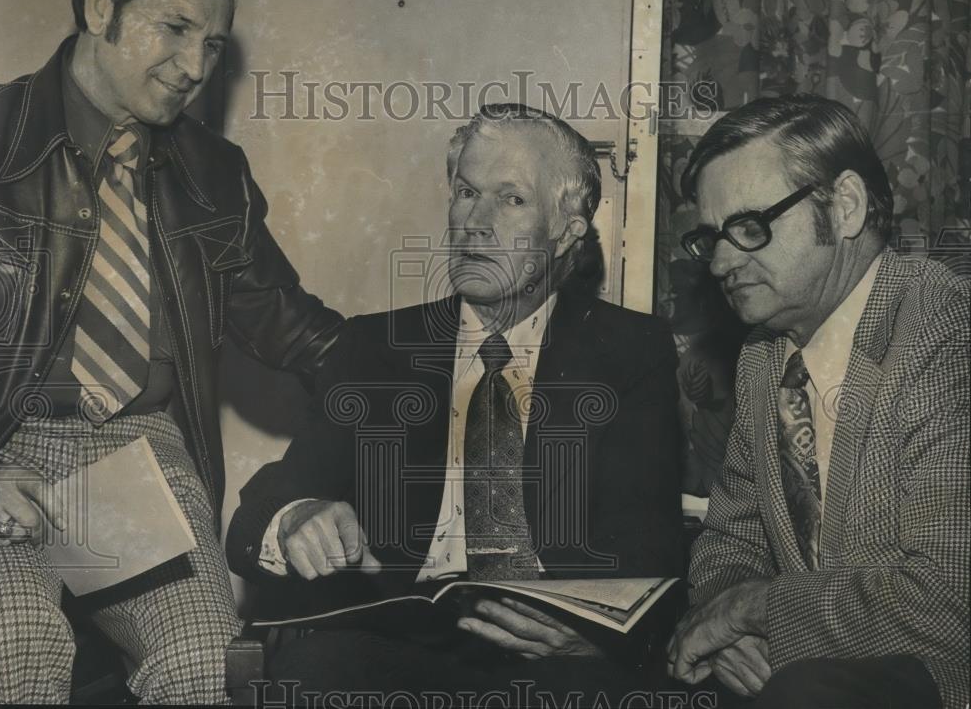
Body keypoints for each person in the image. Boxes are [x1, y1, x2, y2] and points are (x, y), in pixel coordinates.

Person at [0, 0, 342, 703]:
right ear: (101, 5)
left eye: (213, 45)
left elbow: (291, 323)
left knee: (211, 665)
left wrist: (439, 368)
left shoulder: (215, 172)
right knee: (16, 647)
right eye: (175, 28)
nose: (194, 65)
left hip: (139, 450)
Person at [227, 104, 685, 703]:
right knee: (315, 668)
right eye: (466, 192)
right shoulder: (375, 348)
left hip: (552, 657)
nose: (476, 221)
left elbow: (645, 541)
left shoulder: (629, 352)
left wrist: (594, 638)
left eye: (511, 199)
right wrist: (295, 519)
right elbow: (261, 511)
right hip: (397, 648)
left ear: (569, 226)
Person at [667, 95, 969, 709]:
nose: (722, 262)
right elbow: (731, 539)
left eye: (750, 227)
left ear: (846, 207)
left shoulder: (946, 330)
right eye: (710, 238)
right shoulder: (761, 356)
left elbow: (949, 599)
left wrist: (751, 610)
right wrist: (731, 629)